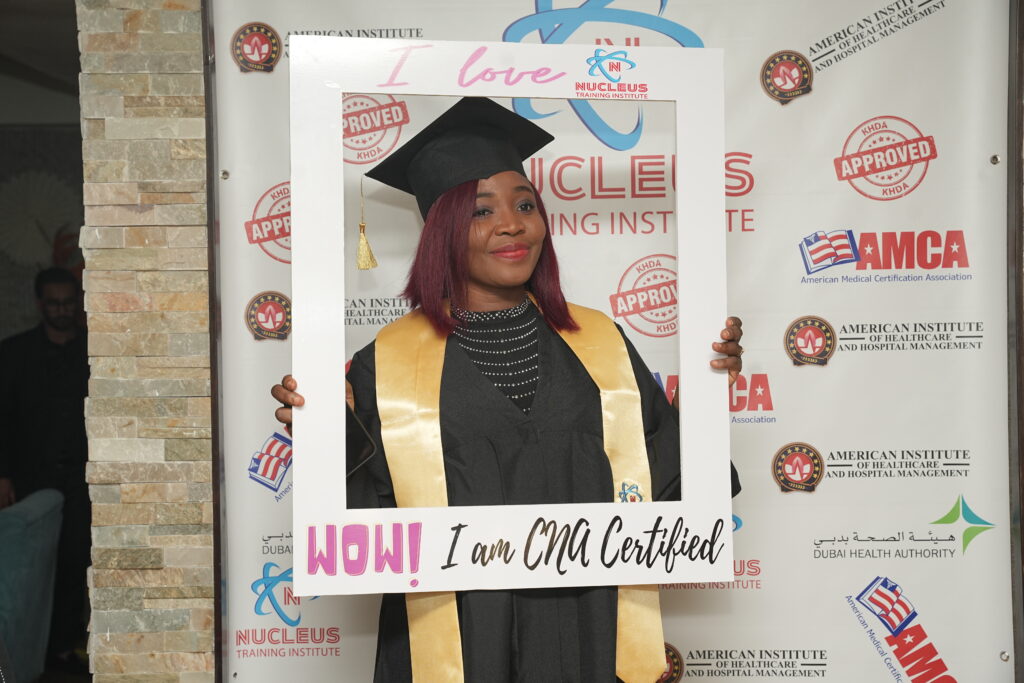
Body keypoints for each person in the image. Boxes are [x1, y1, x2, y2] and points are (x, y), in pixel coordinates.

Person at [272, 98, 742, 682]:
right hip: (458, 642)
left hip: (590, 632)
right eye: (481, 211)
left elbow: (668, 490)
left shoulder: (601, 343)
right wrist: (327, 436)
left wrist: (701, 403)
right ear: (441, 231)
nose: (513, 224)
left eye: (525, 205)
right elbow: (362, 524)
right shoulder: (385, 364)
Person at [0, 267, 90, 672]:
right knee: (31, 566)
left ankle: (64, 650)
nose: (62, 310)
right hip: (30, 477)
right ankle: (28, 657)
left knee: (76, 561)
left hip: (82, 479)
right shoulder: (13, 353)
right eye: (54, 303)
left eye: (68, 302)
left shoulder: (93, 350)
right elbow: (2, 417)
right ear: (40, 304)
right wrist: (3, 474)